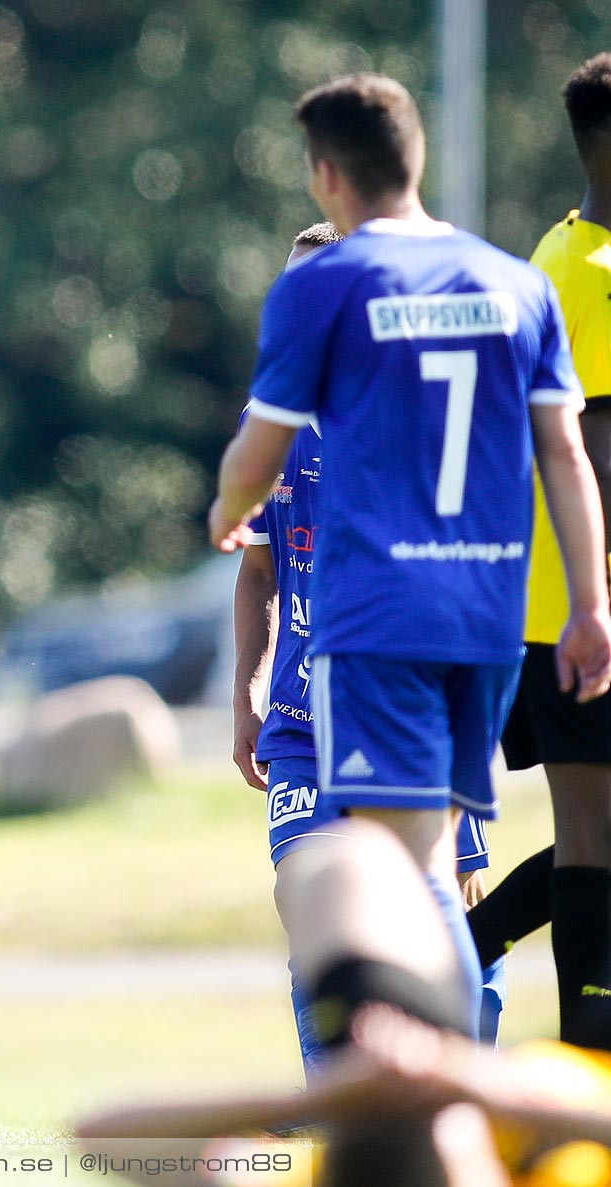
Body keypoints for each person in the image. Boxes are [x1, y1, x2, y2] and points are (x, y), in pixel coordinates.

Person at [208, 72, 611, 1037]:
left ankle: (405, 1081)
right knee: (433, 856)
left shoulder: (327, 283)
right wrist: (590, 603)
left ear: (326, 173)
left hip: (376, 617)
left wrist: (232, 504)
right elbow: (566, 453)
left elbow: (262, 452)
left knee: (387, 870)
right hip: (485, 623)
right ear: (417, 156)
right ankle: (442, 1073)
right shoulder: (514, 281)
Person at [234, 222, 504, 1071]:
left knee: (449, 919)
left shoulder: (424, 426)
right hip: (299, 725)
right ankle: (341, 1113)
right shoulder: (263, 425)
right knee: (310, 910)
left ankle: (456, 1098)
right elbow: (258, 570)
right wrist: (245, 689)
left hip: (406, 718)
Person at [75, 819, 611, 1187]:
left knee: (345, 866)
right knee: (354, 867)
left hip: (387, 1033)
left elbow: (99, 1135)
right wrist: (473, 1086)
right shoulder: (547, 1127)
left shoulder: (318, 1173)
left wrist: (323, 1099)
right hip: (546, 1074)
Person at [486, 51, 611, 1052]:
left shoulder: (553, 255)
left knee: (594, 836)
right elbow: (594, 455)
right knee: (591, 837)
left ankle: (445, 950)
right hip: (583, 604)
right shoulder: (583, 272)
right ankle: (586, 1049)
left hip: (566, 605)